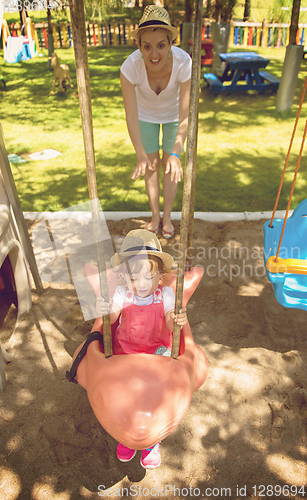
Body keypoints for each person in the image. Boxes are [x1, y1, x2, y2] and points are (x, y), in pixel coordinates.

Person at [96, 229, 187, 469]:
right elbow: (113, 316)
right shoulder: (120, 293)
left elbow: (168, 319)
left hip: (157, 352)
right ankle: (124, 432)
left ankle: (151, 441)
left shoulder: (166, 294)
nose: (142, 285)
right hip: (126, 353)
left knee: (155, 392)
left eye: (149, 278)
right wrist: (105, 310)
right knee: (125, 393)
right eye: (134, 279)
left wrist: (175, 319)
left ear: (160, 277)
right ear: (124, 278)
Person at [120, 5, 191, 238]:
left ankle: (168, 217)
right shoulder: (130, 67)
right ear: (139, 46)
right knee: (150, 166)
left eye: (161, 45)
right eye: (147, 46)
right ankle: (155, 215)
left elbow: (185, 115)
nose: (154, 54)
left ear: (171, 43)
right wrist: (139, 153)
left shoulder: (184, 63)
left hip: (174, 119)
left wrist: (176, 153)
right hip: (145, 117)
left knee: (171, 167)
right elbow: (130, 115)